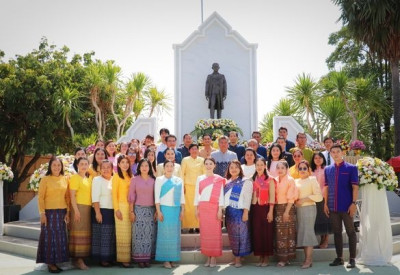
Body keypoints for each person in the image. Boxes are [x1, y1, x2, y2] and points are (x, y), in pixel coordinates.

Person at [324, 144, 359, 269]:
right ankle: (339, 258)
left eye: (338, 151)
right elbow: (326, 188)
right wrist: (325, 204)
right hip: (333, 207)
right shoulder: (327, 169)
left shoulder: (351, 168)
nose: (335, 154)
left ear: (342, 152)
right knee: (337, 232)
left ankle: (352, 259)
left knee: (351, 232)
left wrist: (353, 203)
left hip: (347, 206)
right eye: (333, 152)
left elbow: (355, 187)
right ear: (330, 154)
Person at [37, 157, 70, 274]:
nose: (57, 167)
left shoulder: (65, 179)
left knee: (60, 238)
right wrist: (42, 213)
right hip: (49, 213)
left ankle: (56, 262)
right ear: (50, 166)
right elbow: (40, 197)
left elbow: (67, 197)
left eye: (59, 165)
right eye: (54, 165)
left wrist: (68, 212)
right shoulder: (45, 179)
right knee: (49, 238)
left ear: (62, 167)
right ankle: (50, 263)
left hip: (61, 213)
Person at [194, 158, 225, 267]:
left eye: (210, 164)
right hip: (203, 207)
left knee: (214, 233)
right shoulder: (200, 178)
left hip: (214, 207)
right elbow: (196, 194)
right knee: (205, 233)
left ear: (214, 165)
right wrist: (196, 208)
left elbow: (221, 195)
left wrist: (220, 209)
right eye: (206, 164)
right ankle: (208, 256)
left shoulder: (219, 179)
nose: (208, 166)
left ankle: (214, 258)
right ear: (204, 165)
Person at [155, 160, 185, 269]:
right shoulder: (159, 180)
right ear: (164, 168)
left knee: (174, 235)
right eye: (167, 166)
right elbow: (157, 197)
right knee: (165, 234)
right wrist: (158, 211)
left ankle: (172, 258)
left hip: (176, 210)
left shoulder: (178, 180)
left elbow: (182, 196)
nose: (169, 168)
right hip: (164, 209)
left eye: (171, 166)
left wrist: (182, 210)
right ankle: (165, 260)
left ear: (174, 168)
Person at [223, 160, 253, 268]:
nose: (234, 169)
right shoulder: (226, 182)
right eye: (231, 167)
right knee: (233, 237)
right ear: (228, 169)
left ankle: (238, 259)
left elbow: (247, 198)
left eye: (236, 167)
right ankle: (237, 256)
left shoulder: (245, 181)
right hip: (230, 212)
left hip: (240, 212)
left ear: (240, 169)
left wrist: (246, 212)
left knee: (241, 236)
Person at [128, 159, 157, 268]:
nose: (144, 167)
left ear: (149, 167)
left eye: (147, 165)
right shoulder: (134, 180)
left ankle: (147, 258)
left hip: (151, 210)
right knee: (138, 235)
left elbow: (156, 197)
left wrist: (156, 211)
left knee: (149, 235)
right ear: (139, 167)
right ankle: (139, 259)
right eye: (142, 165)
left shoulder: (153, 180)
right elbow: (131, 196)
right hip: (138, 210)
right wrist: (131, 211)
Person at [295, 160, 323, 269]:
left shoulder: (312, 179)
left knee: (308, 233)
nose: (302, 170)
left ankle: (308, 260)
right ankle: (306, 259)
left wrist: (305, 199)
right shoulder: (295, 181)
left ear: (308, 170)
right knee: (302, 233)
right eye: (300, 168)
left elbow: (319, 196)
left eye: (304, 168)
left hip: (309, 209)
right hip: (299, 210)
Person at [91, 160, 116, 267]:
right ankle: (102, 259)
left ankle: (109, 257)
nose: (105, 169)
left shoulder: (114, 180)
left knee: (110, 235)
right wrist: (97, 212)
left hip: (112, 211)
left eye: (108, 167)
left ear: (112, 169)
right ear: (100, 169)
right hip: (101, 210)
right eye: (103, 167)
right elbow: (95, 197)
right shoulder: (97, 180)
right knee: (101, 235)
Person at [251, 158, 275, 267]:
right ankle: (260, 256)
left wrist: (270, 212)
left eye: (261, 165)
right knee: (257, 233)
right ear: (255, 166)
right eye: (257, 165)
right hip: (255, 208)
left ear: (265, 166)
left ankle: (266, 258)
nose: (259, 167)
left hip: (266, 208)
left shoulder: (270, 179)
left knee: (266, 233)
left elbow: (272, 197)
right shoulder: (252, 179)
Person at [69, 157, 92, 270]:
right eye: (81, 164)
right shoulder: (74, 178)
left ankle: (81, 258)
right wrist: (76, 210)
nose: (83, 166)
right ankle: (78, 260)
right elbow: (72, 196)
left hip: (87, 209)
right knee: (78, 233)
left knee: (85, 233)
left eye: (86, 164)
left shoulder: (88, 179)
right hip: (78, 208)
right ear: (77, 165)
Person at [274, 160, 298, 267]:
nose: (280, 170)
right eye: (278, 168)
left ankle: (286, 258)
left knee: (288, 233)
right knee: (279, 234)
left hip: (288, 208)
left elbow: (291, 197)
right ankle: (282, 257)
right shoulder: (274, 180)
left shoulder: (290, 180)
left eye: (282, 168)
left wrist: (286, 212)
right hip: (277, 208)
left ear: (286, 169)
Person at [112, 155, 133, 267]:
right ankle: (123, 259)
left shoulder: (131, 176)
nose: (125, 164)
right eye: (122, 162)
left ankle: (128, 257)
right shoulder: (116, 177)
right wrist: (117, 209)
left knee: (129, 234)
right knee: (122, 234)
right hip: (120, 207)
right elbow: (114, 195)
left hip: (130, 207)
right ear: (118, 164)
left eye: (127, 162)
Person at [180, 144, 205, 232]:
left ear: (198, 150)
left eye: (196, 149)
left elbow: (204, 173)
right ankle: (190, 226)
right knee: (189, 206)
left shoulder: (202, 160)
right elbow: (182, 173)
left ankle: (198, 226)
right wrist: (182, 186)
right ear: (189, 151)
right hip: (188, 186)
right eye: (192, 149)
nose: (194, 151)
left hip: (199, 186)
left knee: (198, 206)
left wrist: (204, 186)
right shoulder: (185, 160)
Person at [310, 152, 332, 248]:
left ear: (323, 159)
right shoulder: (312, 171)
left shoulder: (327, 169)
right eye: (315, 158)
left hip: (324, 197)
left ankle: (326, 240)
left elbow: (328, 184)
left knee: (325, 217)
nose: (318, 160)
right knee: (318, 219)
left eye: (319, 158)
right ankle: (321, 239)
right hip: (315, 198)